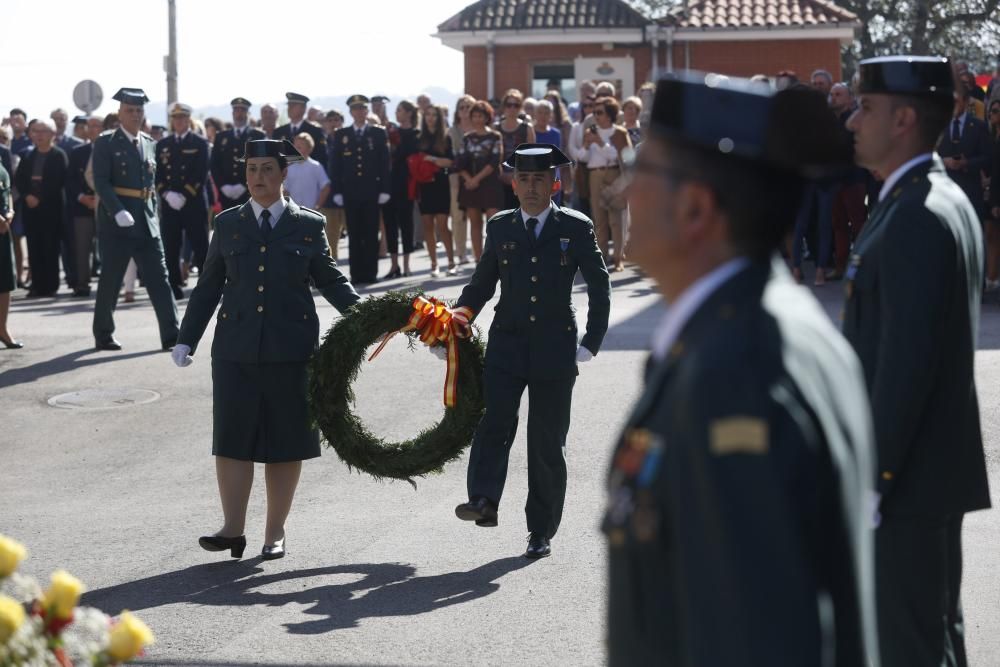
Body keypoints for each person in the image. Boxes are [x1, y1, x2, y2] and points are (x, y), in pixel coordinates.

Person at [605, 72, 878, 666]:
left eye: (641, 169)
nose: (621, 192)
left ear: (696, 206)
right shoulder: (776, 325)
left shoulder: (735, 372)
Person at [843, 55, 990, 667]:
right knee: (931, 635)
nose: (852, 121)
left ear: (903, 118)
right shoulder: (924, 197)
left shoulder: (917, 214)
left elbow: (905, 365)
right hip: (921, 475)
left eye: (865, 108)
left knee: (911, 646)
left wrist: (872, 482)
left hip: (905, 481)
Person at [171, 139, 360, 561]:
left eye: (268, 170)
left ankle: (275, 532)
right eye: (252, 169)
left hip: (291, 350)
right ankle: (232, 529)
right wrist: (187, 336)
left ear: (283, 174)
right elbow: (208, 287)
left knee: (285, 441)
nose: (259, 177)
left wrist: (366, 317)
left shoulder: (308, 225)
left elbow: (330, 281)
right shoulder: (228, 223)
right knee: (232, 439)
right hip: (235, 349)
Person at [451, 144, 610, 560]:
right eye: (524, 179)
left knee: (545, 443)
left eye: (540, 179)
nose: (531, 187)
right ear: (514, 184)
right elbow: (484, 281)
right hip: (508, 343)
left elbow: (599, 283)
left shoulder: (574, 227)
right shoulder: (501, 227)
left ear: (555, 184)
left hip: (555, 350)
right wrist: (461, 314)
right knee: (494, 425)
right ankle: (483, 500)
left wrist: (591, 340)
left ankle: (540, 530)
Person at [91, 87, 179, 351]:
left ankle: (172, 334)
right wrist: (116, 210)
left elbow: (150, 186)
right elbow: (102, 182)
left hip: (146, 220)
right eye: (130, 110)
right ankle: (103, 333)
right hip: (117, 222)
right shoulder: (106, 142)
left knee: (160, 279)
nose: (135, 115)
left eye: (139, 110)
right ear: (119, 113)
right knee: (111, 279)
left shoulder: (149, 143)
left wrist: (154, 215)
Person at [328, 95, 391, 284]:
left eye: (362, 108)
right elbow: (336, 165)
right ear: (350, 112)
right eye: (355, 109)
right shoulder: (342, 134)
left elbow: (384, 162)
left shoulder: (378, 133)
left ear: (367, 111)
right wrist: (337, 191)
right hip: (350, 192)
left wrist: (385, 189)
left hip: (372, 190)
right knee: (354, 234)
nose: (359, 112)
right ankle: (356, 274)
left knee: (371, 233)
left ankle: (370, 273)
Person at [155, 103, 210, 301]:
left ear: (188, 120)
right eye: (175, 118)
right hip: (170, 203)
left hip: (193, 202)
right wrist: (166, 194)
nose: (179, 121)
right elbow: (158, 174)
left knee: (200, 245)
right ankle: (174, 285)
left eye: (182, 118)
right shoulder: (163, 144)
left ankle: (206, 285)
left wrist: (185, 195)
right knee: (171, 246)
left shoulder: (200, 143)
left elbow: (201, 173)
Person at [14, 119, 67, 298]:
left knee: (50, 248)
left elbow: (59, 181)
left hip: (51, 209)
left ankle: (50, 285)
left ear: (52, 134)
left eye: (43, 131)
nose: (39, 135)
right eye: (35, 131)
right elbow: (20, 179)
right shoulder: (28, 155)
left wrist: (40, 197)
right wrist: (28, 195)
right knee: (34, 247)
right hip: (31, 209)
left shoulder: (58, 155)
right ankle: (36, 284)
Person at [579, 96, 631, 272]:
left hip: (614, 175)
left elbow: (617, 156)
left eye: (599, 112)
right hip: (594, 176)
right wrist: (586, 144)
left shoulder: (620, 132)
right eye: (594, 112)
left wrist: (599, 142)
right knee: (599, 220)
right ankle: (601, 256)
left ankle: (618, 257)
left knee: (616, 219)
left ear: (609, 114)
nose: (596, 116)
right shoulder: (590, 132)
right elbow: (582, 158)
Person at [456, 100, 504, 262]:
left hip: (490, 183)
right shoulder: (467, 138)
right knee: (474, 223)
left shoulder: (495, 136)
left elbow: (495, 160)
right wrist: (469, 180)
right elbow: (460, 161)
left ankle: (495, 257)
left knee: (494, 222)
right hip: (470, 185)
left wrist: (476, 179)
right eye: (474, 116)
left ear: (487, 117)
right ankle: (479, 260)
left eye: (480, 116)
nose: (477, 119)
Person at [829, 82, 868, 278]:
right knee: (838, 224)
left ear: (850, 99)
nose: (833, 97)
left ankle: (862, 266)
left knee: (858, 224)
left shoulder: (855, 121)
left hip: (853, 178)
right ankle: (840, 266)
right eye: (832, 94)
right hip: (836, 179)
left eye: (838, 94)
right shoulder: (830, 121)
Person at [938, 86, 992, 222]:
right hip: (944, 194)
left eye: (958, 100)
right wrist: (944, 162)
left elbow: (988, 158)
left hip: (971, 193)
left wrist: (967, 163)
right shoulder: (939, 125)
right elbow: (926, 155)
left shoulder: (979, 126)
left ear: (967, 101)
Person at [66, 116, 104, 297]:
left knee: (107, 247)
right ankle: (82, 284)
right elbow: (70, 180)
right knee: (82, 248)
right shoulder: (77, 151)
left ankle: (110, 283)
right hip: (83, 206)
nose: (94, 129)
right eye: (91, 126)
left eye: (98, 126)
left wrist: (101, 198)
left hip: (105, 205)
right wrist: (82, 198)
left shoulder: (111, 150)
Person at [417, 104, 456, 277]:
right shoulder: (419, 138)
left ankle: (451, 262)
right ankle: (434, 264)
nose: (431, 118)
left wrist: (433, 159)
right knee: (427, 224)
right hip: (424, 185)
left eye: (434, 115)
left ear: (439, 118)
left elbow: (450, 162)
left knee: (442, 225)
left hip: (440, 183)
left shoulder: (445, 137)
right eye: (428, 115)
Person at [382, 100, 419, 279]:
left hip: (406, 183)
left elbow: (407, 153)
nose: (397, 113)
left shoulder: (415, 133)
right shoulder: (389, 132)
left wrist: (396, 141)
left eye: (400, 110)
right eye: (396, 110)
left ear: (409, 113)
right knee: (390, 224)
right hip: (389, 183)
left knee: (406, 224)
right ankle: (394, 265)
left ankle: (406, 265)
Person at [211, 98, 266, 211]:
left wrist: (244, 184)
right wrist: (222, 185)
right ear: (232, 113)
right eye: (236, 110)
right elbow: (214, 164)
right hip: (225, 192)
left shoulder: (258, 136)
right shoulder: (221, 137)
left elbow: (261, 163)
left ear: (248, 113)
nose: (239, 113)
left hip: (249, 192)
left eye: (243, 110)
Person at [496, 90, 536, 210]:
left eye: (516, 105)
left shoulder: (527, 128)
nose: (512, 108)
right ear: (504, 107)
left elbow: (532, 157)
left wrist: (516, 175)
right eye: (509, 105)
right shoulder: (495, 128)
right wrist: (502, 174)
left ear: (521, 108)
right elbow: (492, 156)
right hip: (499, 180)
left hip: (521, 180)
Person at [449, 95, 476, 265]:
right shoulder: (451, 131)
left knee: (476, 217)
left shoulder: (480, 128)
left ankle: (477, 251)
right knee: (458, 216)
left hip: (477, 177)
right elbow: (452, 155)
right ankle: (460, 253)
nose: (465, 111)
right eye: (462, 107)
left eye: (469, 107)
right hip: (456, 178)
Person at [319, 110, 347, 260]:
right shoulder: (321, 143)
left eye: (336, 120)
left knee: (355, 232)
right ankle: (333, 269)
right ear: (324, 124)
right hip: (329, 195)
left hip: (347, 194)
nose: (333, 123)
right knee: (331, 235)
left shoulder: (349, 140)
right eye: (329, 120)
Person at [0, 157, 21, 348]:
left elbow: (7, 192)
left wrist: (10, 212)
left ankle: (2, 328)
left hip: (3, 230)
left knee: (5, 280)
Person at [274, 92, 327, 163]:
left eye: (293, 106)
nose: (289, 109)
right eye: (289, 105)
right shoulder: (279, 131)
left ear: (303, 108)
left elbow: (321, 156)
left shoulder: (315, 131)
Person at [284, 133, 330, 210]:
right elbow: (285, 190)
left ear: (309, 148)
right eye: (295, 145)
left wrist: (317, 206)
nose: (297, 147)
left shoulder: (316, 166)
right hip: (293, 211)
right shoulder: (289, 168)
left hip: (312, 211)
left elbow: (326, 187)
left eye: (301, 144)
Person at [532, 100, 563, 206]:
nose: (543, 116)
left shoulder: (556, 134)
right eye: (540, 112)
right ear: (535, 114)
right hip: (534, 177)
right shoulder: (530, 131)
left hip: (552, 177)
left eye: (546, 113)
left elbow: (557, 157)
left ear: (551, 115)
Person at [988, 98, 1000, 290]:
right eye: (992, 111)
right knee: (990, 234)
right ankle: (991, 278)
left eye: (997, 111)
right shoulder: (987, 134)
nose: (994, 115)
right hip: (990, 192)